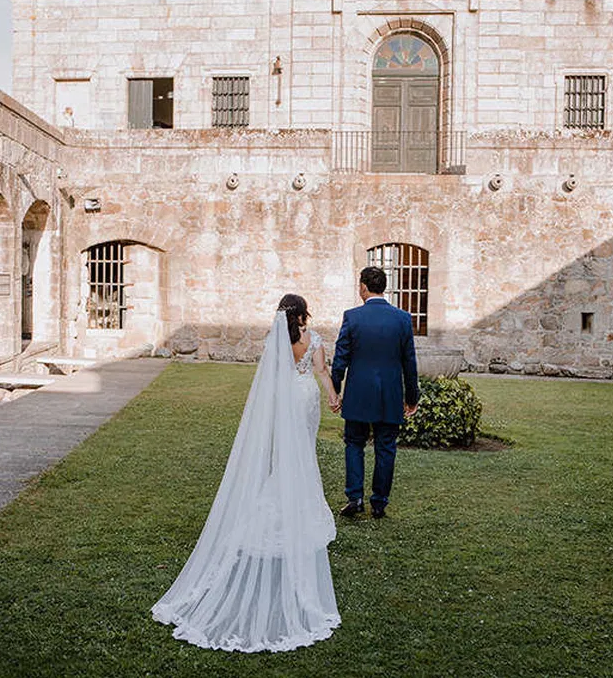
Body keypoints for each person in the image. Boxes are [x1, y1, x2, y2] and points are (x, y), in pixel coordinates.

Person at [152, 294, 341, 652]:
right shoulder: (313, 338)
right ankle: (300, 505)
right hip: (306, 398)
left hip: (286, 399)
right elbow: (322, 372)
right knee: (304, 455)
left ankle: (280, 497)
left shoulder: (278, 340)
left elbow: (270, 379)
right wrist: (333, 396)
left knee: (287, 455)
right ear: (302, 313)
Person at [330, 266, 420, 520]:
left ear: (363, 287)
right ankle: (379, 503)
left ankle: (355, 497)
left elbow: (341, 358)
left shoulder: (352, 317)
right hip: (390, 394)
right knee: (386, 448)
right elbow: (409, 363)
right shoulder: (402, 318)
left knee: (354, 443)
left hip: (359, 392)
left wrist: (335, 389)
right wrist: (412, 398)